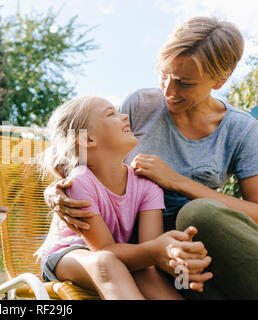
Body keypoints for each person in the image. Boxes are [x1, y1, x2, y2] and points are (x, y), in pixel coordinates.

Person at [44, 16, 258, 299]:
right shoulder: (139, 105)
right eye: (164, 74)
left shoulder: (241, 130)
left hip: (192, 242)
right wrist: (56, 189)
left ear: (220, 79)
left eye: (184, 83)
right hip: (147, 251)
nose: (168, 92)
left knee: (197, 213)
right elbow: (84, 151)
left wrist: (178, 182)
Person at [35, 95, 212, 300]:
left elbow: (150, 249)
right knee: (105, 263)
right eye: (111, 114)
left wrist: (170, 254)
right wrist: (154, 250)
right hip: (70, 256)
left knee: (148, 273)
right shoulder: (79, 182)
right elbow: (103, 249)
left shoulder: (147, 184)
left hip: (120, 254)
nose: (125, 117)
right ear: (87, 139)